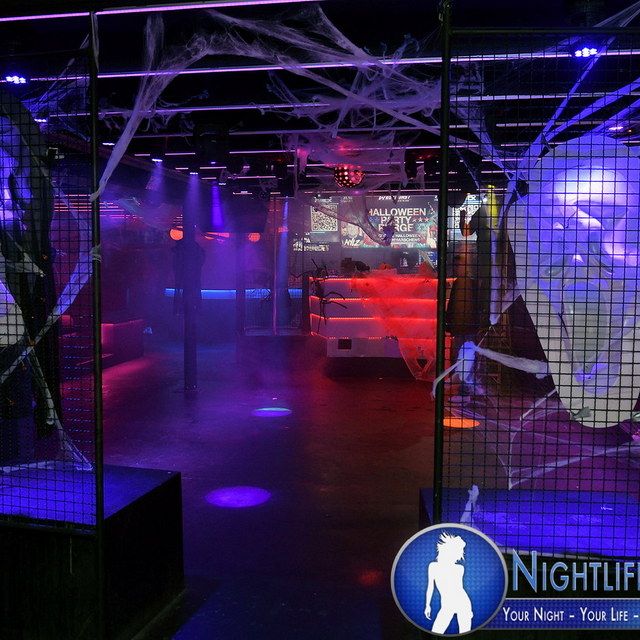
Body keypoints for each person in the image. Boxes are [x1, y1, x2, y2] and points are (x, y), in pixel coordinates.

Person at [424, 531, 473, 634]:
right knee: (436, 631)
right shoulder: (433, 566)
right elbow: (430, 587)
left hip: (462, 603)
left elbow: (459, 588)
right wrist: (427, 605)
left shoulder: (459, 568)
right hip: (447, 605)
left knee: (465, 633)